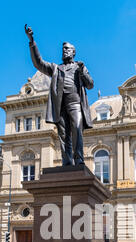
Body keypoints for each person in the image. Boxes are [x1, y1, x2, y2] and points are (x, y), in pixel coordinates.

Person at [24, 24, 94, 166]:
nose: (64, 51)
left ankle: (79, 159)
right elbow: (38, 63)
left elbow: (90, 84)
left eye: (67, 49)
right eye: (63, 49)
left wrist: (82, 71)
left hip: (75, 103)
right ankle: (67, 161)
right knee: (63, 134)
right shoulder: (56, 68)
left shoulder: (79, 67)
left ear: (73, 52)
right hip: (60, 105)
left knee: (76, 130)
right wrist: (32, 41)